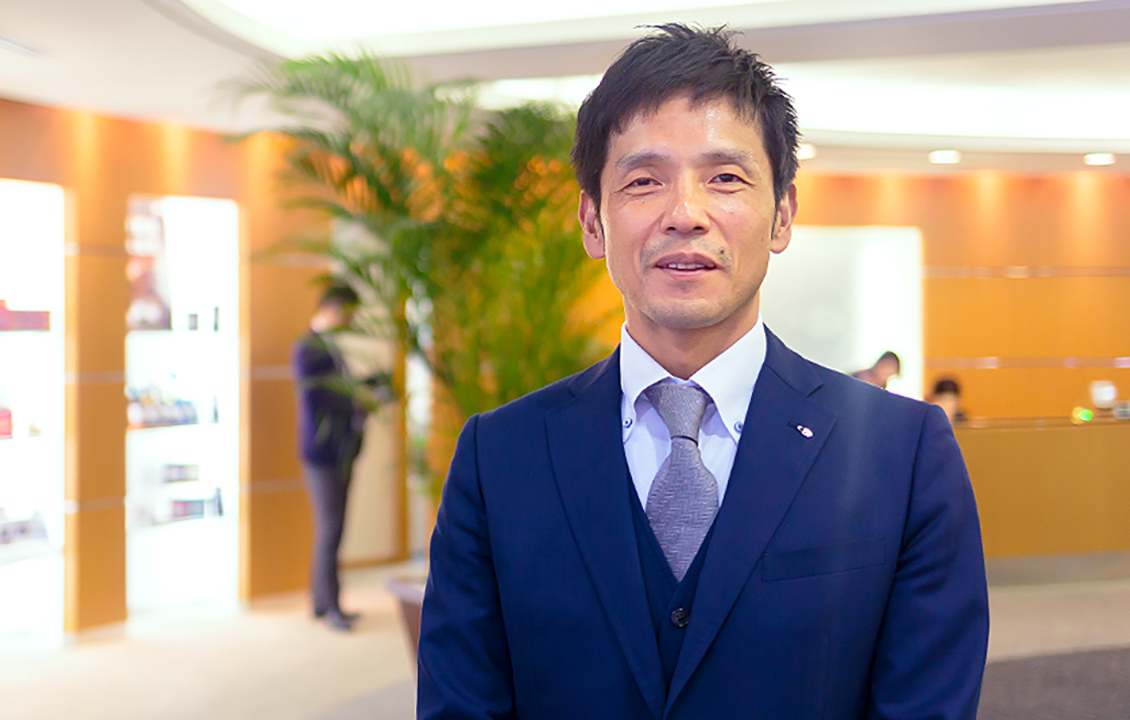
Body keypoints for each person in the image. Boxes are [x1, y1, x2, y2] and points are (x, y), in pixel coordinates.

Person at [418, 25, 988, 719]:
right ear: (593, 222)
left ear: (782, 215)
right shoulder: (499, 456)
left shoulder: (905, 450)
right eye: (643, 181)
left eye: (725, 178)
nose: (685, 215)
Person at [293, 283, 367, 632]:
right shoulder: (307, 346)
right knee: (330, 529)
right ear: (333, 308)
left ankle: (322, 603)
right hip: (322, 452)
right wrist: (357, 399)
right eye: (349, 313)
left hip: (341, 450)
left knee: (333, 528)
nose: (351, 321)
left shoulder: (328, 345)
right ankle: (330, 606)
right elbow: (316, 399)